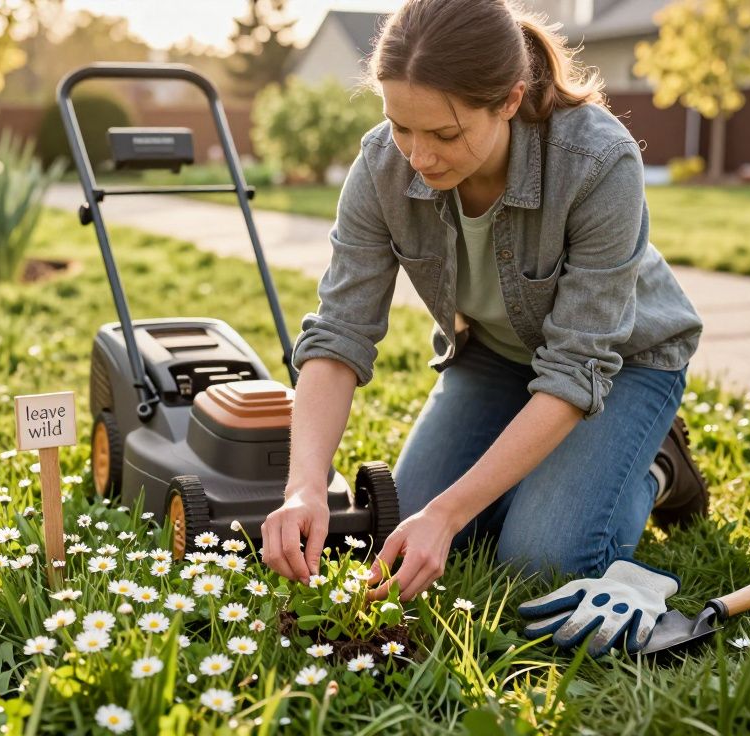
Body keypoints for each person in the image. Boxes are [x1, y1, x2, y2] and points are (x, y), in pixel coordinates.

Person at [259, 0, 708, 603]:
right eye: (400, 126)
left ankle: (655, 464)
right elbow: (339, 333)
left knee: (540, 561)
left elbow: (578, 366)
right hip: (497, 356)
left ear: (509, 101)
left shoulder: (598, 160)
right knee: (405, 527)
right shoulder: (380, 166)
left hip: (623, 364)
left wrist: (449, 514)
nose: (418, 157)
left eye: (445, 133)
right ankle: (553, 473)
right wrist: (304, 487)